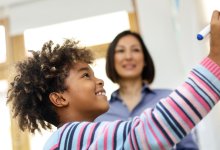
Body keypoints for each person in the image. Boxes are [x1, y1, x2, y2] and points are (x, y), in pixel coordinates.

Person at [6, 10, 220, 150]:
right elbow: (150, 130)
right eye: (85, 75)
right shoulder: (71, 137)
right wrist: (215, 60)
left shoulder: (75, 140)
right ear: (59, 98)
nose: (99, 81)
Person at [95, 30, 199, 149]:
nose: (128, 56)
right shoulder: (100, 113)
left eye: (135, 50)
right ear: (111, 61)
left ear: (144, 60)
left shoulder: (169, 99)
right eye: (120, 50)